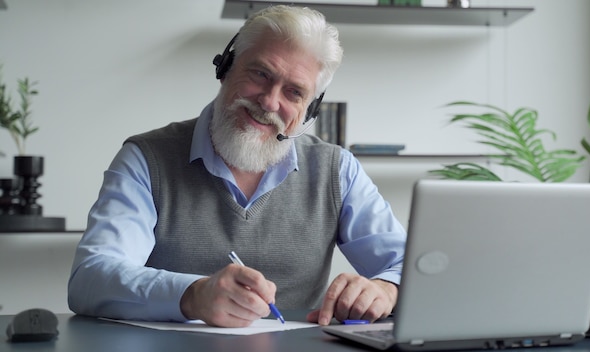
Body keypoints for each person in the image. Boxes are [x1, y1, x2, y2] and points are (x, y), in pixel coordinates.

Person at [68, 5, 406, 328]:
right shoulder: (146, 158)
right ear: (225, 67)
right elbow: (91, 277)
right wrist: (192, 296)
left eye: (293, 92)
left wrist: (386, 290)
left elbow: (409, 265)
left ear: (309, 111)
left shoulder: (337, 171)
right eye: (260, 74)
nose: (270, 102)